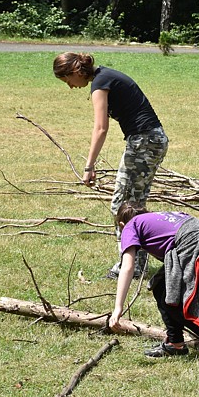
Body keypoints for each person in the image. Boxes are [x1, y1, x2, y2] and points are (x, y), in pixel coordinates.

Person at [53, 52, 168, 278]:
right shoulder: (104, 77)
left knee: (121, 206)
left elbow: (100, 128)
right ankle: (137, 264)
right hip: (152, 140)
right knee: (134, 204)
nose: (70, 86)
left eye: (67, 80)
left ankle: (130, 266)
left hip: (144, 141)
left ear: (75, 71)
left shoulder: (100, 83)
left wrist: (89, 166)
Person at [107, 201, 199, 366]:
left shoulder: (130, 226)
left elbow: (128, 266)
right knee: (160, 286)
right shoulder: (160, 215)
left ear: (122, 224)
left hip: (192, 243)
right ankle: (175, 343)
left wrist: (118, 308)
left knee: (172, 299)